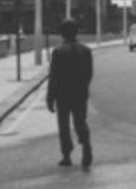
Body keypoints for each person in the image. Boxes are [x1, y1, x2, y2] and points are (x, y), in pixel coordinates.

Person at [47, 18, 94, 170]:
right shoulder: (86, 51)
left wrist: (50, 97)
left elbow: (54, 77)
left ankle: (67, 156)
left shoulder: (58, 52)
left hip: (63, 95)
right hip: (80, 93)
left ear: (62, 34)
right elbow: (89, 74)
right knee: (80, 121)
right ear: (76, 32)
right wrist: (83, 88)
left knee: (64, 125)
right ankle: (86, 145)